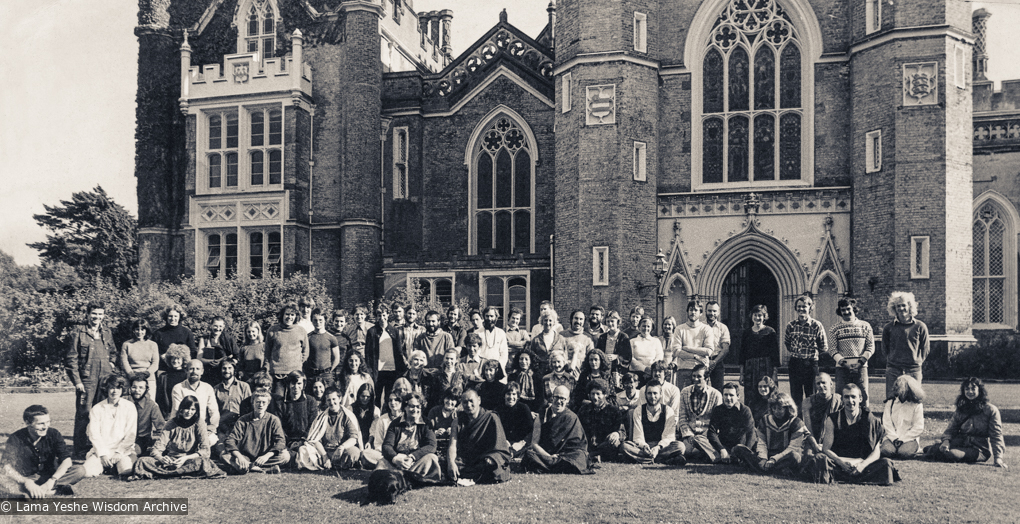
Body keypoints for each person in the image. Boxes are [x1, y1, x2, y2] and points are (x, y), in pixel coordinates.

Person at [809, 384, 901, 485]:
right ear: (842, 399)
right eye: (846, 397)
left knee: (886, 463)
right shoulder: (833, 419)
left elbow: (876, 452)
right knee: (819, 459)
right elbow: (826, 449)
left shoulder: (870, 419)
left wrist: (862, 465)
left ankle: (845, 477)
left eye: (853, 397)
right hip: (839, 463)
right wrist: (840, 462)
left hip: (863, 465)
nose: (850, 400)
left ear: (860, 399)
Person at [65, 301, 117, 458]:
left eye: (100, 314)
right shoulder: (78, 332)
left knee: (104, 412)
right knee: (84, 413)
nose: (97, 317)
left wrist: (112, 363)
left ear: (104, 315)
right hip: (87, 380)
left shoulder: (106, 332)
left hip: (105, 378)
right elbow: (70, 359)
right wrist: (77, 381)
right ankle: (80, 450)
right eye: (94, 313)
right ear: (88, 314)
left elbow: (113, 351)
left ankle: (100, 447)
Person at [131, 395, 226, 480]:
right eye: (187, 409)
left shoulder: (199, 423)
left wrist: (185, 459)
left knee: (203, 462)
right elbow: (156, 448)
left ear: (196, 411)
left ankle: (166, 474)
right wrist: (162, 459)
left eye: (193, 409)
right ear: (181, 409)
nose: (189, 412)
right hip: (170, 461)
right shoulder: (171, 423)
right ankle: (178, 472)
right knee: (142, 461)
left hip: (189, 461)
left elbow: (205, 451)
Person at [1, 405, 85, 498]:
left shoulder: (54, 434)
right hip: (26, 478)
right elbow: (6, 466)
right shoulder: (15, 438)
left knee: (79, 470)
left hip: (50, 476)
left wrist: (52, 480)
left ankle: (34, 492)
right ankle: (52, 491)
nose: (45, 427)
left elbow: (66, 460)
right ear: (27, 423)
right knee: (2, 478)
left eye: (48, 422)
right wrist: (26, 482)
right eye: (40, 423)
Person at [924, 377, 1007, 468]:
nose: (970, 392)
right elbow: (951, 429)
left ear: (980, 390)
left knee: (951, 454)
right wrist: (946, 441)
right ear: (963, 391)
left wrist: (998, 458)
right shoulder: (961, 409)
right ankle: (934, 449)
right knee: (937, 449)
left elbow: (996, 435)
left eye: (973, 388)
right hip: (960, 442)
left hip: (979, 449)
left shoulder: (990, 410)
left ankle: (933, 450)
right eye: (967, 389)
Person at [522, 386, 594, 474]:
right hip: (547, 454)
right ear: (552, 397)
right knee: (529, 454)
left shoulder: (571, 417)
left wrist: (558, 456)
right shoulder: (542, 415)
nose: (559, 401)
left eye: (562, 398)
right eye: (556, 397)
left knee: (580, 457)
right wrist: (549, 456)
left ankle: (547, 467)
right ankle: (557, 466)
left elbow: (578, 446)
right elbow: (534, 443)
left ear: (568, 400)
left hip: (566, 455)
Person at [733, 392, 807, 476]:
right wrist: (764, 458)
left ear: (788, 408)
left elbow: (793, 447)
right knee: (738, 448)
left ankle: (762, 469)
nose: (776, 411)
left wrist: (774, 460)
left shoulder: (796, 423)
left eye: (780, 408)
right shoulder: (765, 420)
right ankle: (774, 470)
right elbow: (761, 442)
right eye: (774, 408)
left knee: (795, 457)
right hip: (768, 455)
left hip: (784, 457)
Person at [447, 389, 512, 484]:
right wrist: (451, 463)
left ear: (479, 400)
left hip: (485, 458)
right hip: (466, 460)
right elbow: (452, 445)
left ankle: (469, 475)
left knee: (492, 464)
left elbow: (501, 448)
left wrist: (492, 458)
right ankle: (477, 476)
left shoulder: (491, 417)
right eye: (465, 402)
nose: (468, 405)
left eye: (471, 401)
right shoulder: (457, 421)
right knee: (450, 463)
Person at [223, 390, 291, 474]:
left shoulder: (273, 420)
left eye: (263, 402)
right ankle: (265, 468)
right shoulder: (243, 420)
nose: (261, 405)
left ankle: (249, 467)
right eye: (258, 402)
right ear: (252, 402)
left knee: (285, 456)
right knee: (225, 456)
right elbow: (230, 440)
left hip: (265, 456)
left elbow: (281, 441)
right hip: (245, 456)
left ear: (268, 403)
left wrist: (266, 456)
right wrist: (240, 457)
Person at [83, 374, 138, 477]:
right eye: (111, 388)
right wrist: (103, 454)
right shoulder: (97, 408)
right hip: (102, 451)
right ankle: (105, 466)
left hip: (123, 451)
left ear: (122, 390)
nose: (114, 391)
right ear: (106, 389)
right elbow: (94, 434)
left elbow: (131, 434)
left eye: (118, 388)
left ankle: (113, 467)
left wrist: (119, 452)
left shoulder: (130, 407)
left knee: (127, 471)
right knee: (87, 473)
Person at [296, 388, 362, 471]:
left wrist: (341, 447)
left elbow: (354, 438)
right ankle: (329, 464)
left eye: (334, 399)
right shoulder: (321, 418)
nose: (331, 402)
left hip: (341, 451)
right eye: (328, 400)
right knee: (303, 449)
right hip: (325, 451)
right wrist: (324, 456)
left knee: (354, 452)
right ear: (326, 402)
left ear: (339, 399)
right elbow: (316, 440)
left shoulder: (347, 416)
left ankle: (333, 465)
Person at [620, 380, 684, 464]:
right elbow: (638, 436)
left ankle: (645, 459)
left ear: (661, 394)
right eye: (649, 393)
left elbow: (668, 437)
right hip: (643, 447)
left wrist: (657, 448)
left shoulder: (668, 411)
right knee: (625, 446)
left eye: (655, 393)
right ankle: (663, 460)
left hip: (662, 447)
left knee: (680, 446)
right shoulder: (638, 410)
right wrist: (645, 446)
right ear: (645, 394)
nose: (652, 396)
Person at [380, 393, 442, 479]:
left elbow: (432, 445)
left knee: (432, 458)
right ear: (405, 407)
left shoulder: (426, 423)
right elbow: (386, 445)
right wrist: (395, 458)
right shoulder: (395, 423)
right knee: (381, 461)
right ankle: (411, 476)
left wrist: (413, 457)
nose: (415, 409)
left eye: (418, 407)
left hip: (416, 461)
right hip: (399, 460)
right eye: (412, 406)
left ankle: (401, 476)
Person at [827, 298, 875, 408]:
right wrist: (845, 363)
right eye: (843, 310)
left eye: (848, 309)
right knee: (840, 397)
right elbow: (832, 349)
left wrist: (860, 363)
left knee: (862, 395)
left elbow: (871, 346)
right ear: (840, 311)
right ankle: (841, 422)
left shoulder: (865, 326)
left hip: (861, 367)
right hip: (842, 368)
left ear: (853, 308)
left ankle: (864, 422)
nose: (846, 312)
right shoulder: (835, 328)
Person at [882, 292, 930, 398]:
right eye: (898, 306)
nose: (901, 308)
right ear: (894, 308)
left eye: (904, 305)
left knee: (914, 399)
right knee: (892, 400)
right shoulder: (888, 327)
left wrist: (917, 362)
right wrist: (892, 360)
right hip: (893, 369)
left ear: (909, 306)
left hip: (913, 370)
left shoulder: (920, 326)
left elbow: (925, 348)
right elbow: (884, 349)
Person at [784, 295, 827, 411]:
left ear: (810, 308)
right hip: (795, 363)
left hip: (810, 364)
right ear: (795, 308)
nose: (801, 309)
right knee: (795, 395)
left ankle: (812, 423)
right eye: (799, 307)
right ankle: (797, 421)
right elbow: (787, 343)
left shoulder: (816, 325)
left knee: (811, 394)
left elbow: (823, 347)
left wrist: (811, 355)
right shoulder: (791, 325)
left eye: (804, 307)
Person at [674, 364, 723, 464]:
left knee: (695, 449)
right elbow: (682, 417)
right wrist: (689, 435)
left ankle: (709, 455)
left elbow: (717, 421)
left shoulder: (716, 394)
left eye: (699, 376)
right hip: (690, 436)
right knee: (684, 449)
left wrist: (703, 437)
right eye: (694, 376)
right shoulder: (685, 392)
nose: (695, 379)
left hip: (707, 437)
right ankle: (704, 455)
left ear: (706, 378)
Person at [171, 360, 220, 445]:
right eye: (191, 369)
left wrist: (211, 428)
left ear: (202, 371)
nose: (194, 372)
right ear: (186, 370)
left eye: (197, 369)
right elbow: (177, 410)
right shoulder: (178, 388)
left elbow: (214, 411)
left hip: (202, 428)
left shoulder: (207, 388)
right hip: (183, 427)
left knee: (212, 439)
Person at [576, 378, 625, 463]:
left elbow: (623, 432)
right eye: (592, 394)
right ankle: (593, 456)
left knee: (615, 442)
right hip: (588, 444)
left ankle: (593, 456)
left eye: (598, 394)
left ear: (605, 394)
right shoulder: (584, 410)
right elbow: (577, 429)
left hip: (605, 445)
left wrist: (617, 433)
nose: (595, 397)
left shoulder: (614, 411)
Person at [266, 304, 310, 398]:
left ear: (296, 316)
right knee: (278, 401)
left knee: (294, 401)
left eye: (292, 315)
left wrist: (296, 363)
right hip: (277, 375)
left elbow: (305, 352)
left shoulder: (301, 331)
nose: (289, 317)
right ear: (282, 315)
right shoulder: (273, 330)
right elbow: (267, 352)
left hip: (295, 374)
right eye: (287, 314)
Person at [740, 305, 780, 410]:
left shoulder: (770, 332)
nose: (757, 318)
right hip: (750, 369)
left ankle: (769, 420)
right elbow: (742, 354)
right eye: (755, 315)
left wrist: (775, 374)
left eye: (760, 315)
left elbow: (775, 353)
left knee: (767, 394)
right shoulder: (746, 333)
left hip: (766, 367)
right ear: (751, 316)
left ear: (764, 317)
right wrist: (741, 374)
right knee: (750, 396)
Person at [269, 370, 320, 452]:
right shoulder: (281, 403)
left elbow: (313, 424)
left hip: (307, 441)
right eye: (293, 383)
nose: (296, 387)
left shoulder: (310, 401)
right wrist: (288, 443)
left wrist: (304, 440)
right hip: (287, 443)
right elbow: (279, 426)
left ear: (304, 385)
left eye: (299, 383)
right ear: (288, 384)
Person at [365, 304, 405, 402]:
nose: (382, 318)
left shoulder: (394, 331)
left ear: (387, 315)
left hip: (392, 369)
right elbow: (368, 353)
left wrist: (401, 369)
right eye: (379, 315)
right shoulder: (372, 331)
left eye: (384, 315)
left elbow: (399, 351)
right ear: (376, 317)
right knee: (376, 397)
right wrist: (369, 369)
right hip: (378, 370)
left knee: (390, 397)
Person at [707, 382, 756, 464]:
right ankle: (725, 456)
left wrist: (746, 452)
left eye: (731, 395)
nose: (728, 398)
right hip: (724, 445)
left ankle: (730, 458)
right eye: (725, 395)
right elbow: (711, 432)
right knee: (700, 439)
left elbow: (750, 433)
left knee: (739, 448)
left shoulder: (745, 410)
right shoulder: (718, 410)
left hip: (740, 446)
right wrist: (721, 449)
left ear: (738, 397)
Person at [881, 375, 925, 459]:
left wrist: (903, 440)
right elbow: (886, 423)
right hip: (891, 437)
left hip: (909, 438)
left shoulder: (917, 405)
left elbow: (918, 427)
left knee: (904, 453)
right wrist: (894, 438)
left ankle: (911, 448)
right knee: (886, 451)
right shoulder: (890, 402)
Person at [673, 301, 714, 391]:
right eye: (691, 309)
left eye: (696, 310)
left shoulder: (706, 329)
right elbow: (676, 351)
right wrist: (695, 356)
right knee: (684, 397)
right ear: (687, 311)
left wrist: (687, 348)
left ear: (701, 313)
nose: (693, 312)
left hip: (701, 370)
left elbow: (709, 351)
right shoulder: (679, 329)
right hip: (684, 369)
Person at [803, 373, 842, 456]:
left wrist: (826, 445)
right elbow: (807, 428)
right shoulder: (808, 402)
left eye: (823, 382)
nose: (821, 386)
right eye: (818, 383)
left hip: (834, 440)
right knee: (809, 455)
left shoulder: (839, 401)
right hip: (813, 440)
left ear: (831, 384)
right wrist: (815, 444)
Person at [214, 359, 251, 446]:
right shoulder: (216, 389)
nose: (227, 371)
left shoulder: (244, 386)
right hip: (223, 425)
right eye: (224, 368)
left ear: (234, 370)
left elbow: (249, 408)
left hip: (240, 424)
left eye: (230, 368)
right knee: (221, 448)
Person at [120, 319, 159, 400]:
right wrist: (131, 375)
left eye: (142, 329)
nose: (139, 332)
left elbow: (155, 363)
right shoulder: (127, 344)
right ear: (134, 330)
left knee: (148, 403)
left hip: (148, 378)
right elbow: (124, 362)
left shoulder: (153, 345)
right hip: (131, 377)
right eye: (137, 329)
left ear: (146, 330)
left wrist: (146, 374)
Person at [497, 382, 538, 460]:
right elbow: (496, 431)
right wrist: (504, 441)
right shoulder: (499, 410)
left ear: (518, 396)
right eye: (508, 394)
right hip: (504, 443)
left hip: (521, 444)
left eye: (514, 394)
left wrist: (521, 443)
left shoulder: (524, 408)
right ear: (504, 396)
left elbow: (532, 430)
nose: (511, 397)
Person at [363, 391, 403, 469]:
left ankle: (389, 466)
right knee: (366, 453)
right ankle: (393, 465)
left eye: (396, 400)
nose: (392, 402)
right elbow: (378, 443)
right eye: (390, 400)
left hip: (402, 453)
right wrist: (390, 454)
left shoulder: (406, 418)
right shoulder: (383, 419)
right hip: (386, 454)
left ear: (401, 402)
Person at [129, 372, 165, 457]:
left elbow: (161, 427)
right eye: (134, 387)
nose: (137, 390)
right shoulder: (124, 401)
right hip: (121, 437)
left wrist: (158, 446)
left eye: (141, 388)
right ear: (130, 388)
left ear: (146, 389)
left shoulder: (151, 405)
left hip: (140, 439)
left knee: (131, 454)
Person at [305, 308, 340, 389]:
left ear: (325, 321)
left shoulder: (331, 338)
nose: (318, 322)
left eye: (320, 320)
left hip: (327, 375)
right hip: (311, 375)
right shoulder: (308, 337)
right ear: (311, 321)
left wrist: (329, 371)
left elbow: (336, 358)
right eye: (315, 320)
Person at [596, 311, 631, 390]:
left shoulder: (624, 337)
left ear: (617, 322)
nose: (610, 323)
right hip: (605, 369)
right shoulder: (602, 337)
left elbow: (628, 356)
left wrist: (617, 357)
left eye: (612, 321)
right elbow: (598, 352)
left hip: (618, 370)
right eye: (608, 321)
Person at [197, 316, 236, 383]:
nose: (218, 329)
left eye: (220, 326)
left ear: (223, 326)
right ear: (211, 326)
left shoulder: (229, 339)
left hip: (225, 373)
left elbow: (236, 356)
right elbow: (199, 358)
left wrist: (222, 362)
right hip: (208, 373)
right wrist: (214, 361)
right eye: (215, 326)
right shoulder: (204, 339)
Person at [553, 310, 594, 375]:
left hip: (582, 374)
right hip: (564, 373)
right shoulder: (562, 335)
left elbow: (591, 357)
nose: (578, 321)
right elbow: (557, 355)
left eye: (581, 319)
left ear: (584, 321)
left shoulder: (588, 338)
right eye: (576, 318)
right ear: (571, 319)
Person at [427, 387, 460, 466]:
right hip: (436, 445)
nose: (449, 402)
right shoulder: (434, 411)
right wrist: (435, 432)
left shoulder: (459, 413)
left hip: (452, 446)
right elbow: (427, 430)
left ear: (457, 402)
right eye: (447, 398)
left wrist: (454, 431)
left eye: (453, 400)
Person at [156, 344, 190, 418]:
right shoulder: (163, 376)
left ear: (183, 360)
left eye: (178, 358)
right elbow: (159, 397)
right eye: (173, 358)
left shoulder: (187, 376)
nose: (175, 361)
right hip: (168, 413)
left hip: (184, 412)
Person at [704, 301, 731, 392]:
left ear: (718, 312)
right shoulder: (700, 326)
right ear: (705, 311)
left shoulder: (723, 328)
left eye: (714, 311)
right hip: (702, 360)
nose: (712, 313)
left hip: (717, 361)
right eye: (709, 311)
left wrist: (714, 362)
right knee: (701, 389)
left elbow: (725, 349)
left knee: (718, 390)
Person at [628, 316, 663, 384]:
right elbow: (631, 359)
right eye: (643, 326)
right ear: (639, 327)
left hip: (652, 374)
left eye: (648, 326)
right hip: (636, 375)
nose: (646, 328)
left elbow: (659, 357)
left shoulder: (656, 341)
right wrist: (644, 369)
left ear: (651, 328)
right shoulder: (632, 341)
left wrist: (651, 370)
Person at [528, 309, 565, 373]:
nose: (548, 323)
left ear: (554, 322)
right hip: (540, 373)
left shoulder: (560, 339)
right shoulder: (536, 340)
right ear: (542, 322)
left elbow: (565, 356)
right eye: (545, 320)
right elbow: (532, 358)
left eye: (550, 320)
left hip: (557, 372)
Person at [478, 306, 510, 380]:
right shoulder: (478, 333)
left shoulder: (501, 333)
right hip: (482, 370)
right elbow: (476, 352)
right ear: (483, 317)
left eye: (492, 316)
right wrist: (483, 368)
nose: (489, 319)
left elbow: (504, 354)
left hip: (497, 369)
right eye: (487, 316)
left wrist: (497, 368)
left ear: (496, 317)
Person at [507, 348, 543, 412]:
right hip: (516, 410)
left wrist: (531, 412)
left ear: (531, 361)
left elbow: (540, 399)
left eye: (526, 359)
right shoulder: (512, 377)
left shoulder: (537, 377)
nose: (523, 362)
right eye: (521, 359)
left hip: (533, 411)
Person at [351, 383, 380, 453]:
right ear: (358, 395)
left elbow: (374, 429)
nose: (365, 399)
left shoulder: (375, 410)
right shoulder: (351, 408)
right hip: (354, 438)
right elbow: (352, 428)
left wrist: (369, 442)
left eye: (368, 396)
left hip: (370, 439)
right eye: (363, 396)